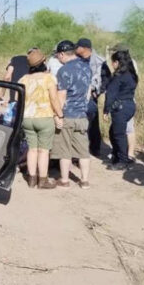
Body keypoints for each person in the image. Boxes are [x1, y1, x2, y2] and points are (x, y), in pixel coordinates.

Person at [18, 48, 64, 189]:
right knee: (44, 150)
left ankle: (32, 179)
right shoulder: (49, 78)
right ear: (44, 62)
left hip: (27, 118)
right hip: (44, 117)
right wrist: (59, 115)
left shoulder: (24, 79)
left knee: (32, 149)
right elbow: (54, 99)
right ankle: (43, 180)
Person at [50, 40, 92, 189]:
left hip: (67, 115)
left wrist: (58, 115)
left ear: (62, 54)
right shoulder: (87, 68)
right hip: (82, 115)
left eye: (57, 56)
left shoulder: (64, 71)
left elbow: (61, 96)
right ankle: (85, 180)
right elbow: (88, 92)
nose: (57, 58)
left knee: (65, 150)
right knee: (83, 151)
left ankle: (65, 180)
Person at [75, 38, 112, 157]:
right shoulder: (75, 59)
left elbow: (106, 78)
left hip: (92, 96)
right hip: (76, 95)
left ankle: (95, 148)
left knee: (93, 123)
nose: (76, 49)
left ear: (85, 48)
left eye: (78, 47)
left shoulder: (100, 62)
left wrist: (99, 92)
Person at [104, 50, 138, 170]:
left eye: (112, 62)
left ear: (117, 62)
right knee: (114, 132)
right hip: (130, 105)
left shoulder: (119, 76)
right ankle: (118, 157)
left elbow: (111, 95)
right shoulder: (132, 75)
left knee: (118, 135)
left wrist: (106, 110)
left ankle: (123, 161)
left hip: (121, 108)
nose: (112, 65)